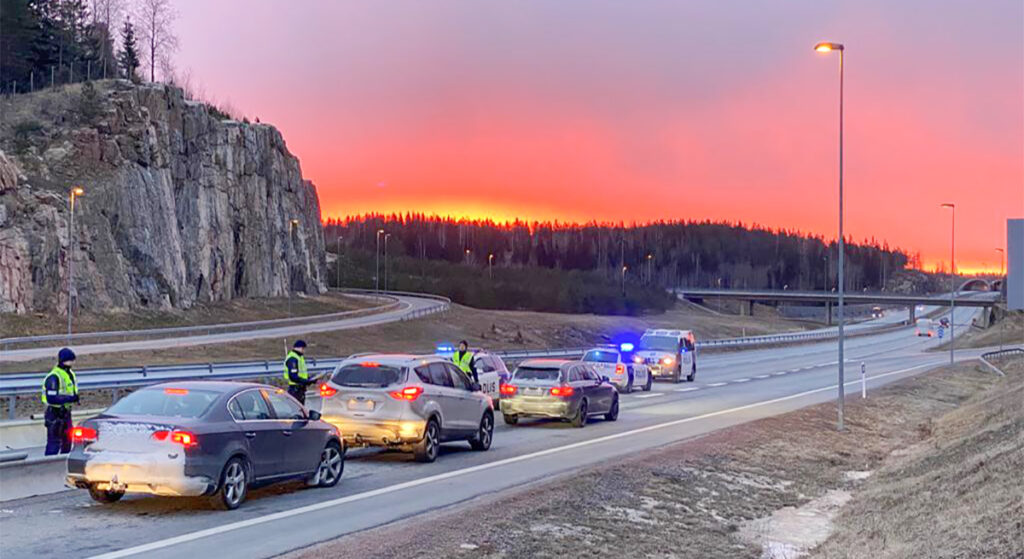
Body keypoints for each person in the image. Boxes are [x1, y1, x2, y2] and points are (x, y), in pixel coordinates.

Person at [41, 348, 80, 455]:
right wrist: (70, 398)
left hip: (65, 412)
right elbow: (51, 398)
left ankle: (62, 465)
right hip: (54, 413)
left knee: (67, 442)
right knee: (54, 443)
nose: (72, 363)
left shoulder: (69, 373)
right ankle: (49, 467)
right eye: (70, 360)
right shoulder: (54, 376)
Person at [283, 340, 314, 405]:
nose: (304, 351)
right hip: (295, 389)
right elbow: (293, 377)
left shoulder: (299, 357)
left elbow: (301, 373)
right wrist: (305, 381)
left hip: (299, 389)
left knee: (301, 410)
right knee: (298, 410)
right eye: (303, 349)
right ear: (300, 348)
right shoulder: (293, 358)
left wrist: (310, 379)